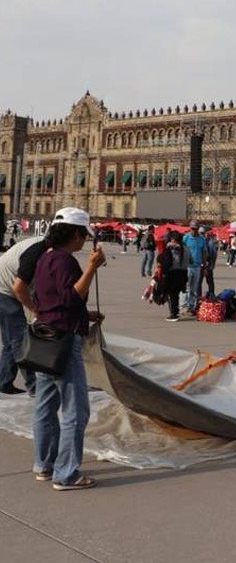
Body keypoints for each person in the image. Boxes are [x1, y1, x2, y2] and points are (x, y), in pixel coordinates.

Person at [32, 207, 105, 491]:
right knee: (76, 410)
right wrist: (91, 268)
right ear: (75, 233)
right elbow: (72, 297)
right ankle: (66, 473)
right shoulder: (66, 261)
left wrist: (86, 316)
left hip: (43, 337)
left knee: (45, 405)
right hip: (64, 340)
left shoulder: (44, 258)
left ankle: (44, 464)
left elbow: (50, 301)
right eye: (83, 235)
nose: (84, 241)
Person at [0, 231, 49, 395]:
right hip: (4, 290)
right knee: (20, 339)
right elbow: (19, 288)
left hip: (8, 286)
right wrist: (34, 310)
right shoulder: (38, 251)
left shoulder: (46, 247)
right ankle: (34, 385)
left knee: (10, 340)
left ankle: (4, 381)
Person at [158, 231, 190, 321]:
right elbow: (191, 261)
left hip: (173, 274)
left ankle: (173, 313)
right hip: (183, 274)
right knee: (176, 294)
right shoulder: (186, 248)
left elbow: (167, 263)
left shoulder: (172, 248)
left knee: (172, 294)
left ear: (173, 239)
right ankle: (175, 312)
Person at [182, 220, 207, 314]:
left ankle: (191, 307)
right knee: (186, 287)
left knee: (194, 288)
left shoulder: (201, 239)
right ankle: (184, 306)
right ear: (190, 228)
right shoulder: (186, 238)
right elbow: (181, 250)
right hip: (187, 266)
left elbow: (204, 253)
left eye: (196, 229)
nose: (194, 231)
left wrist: (204, 267)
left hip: (197, 267)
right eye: (192, 229)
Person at [199, 226, 217, 298]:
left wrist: (212, 264)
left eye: (202, 233)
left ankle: (211, 294)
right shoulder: (208, 242)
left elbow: (214, 254)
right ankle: (201, 296)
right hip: (201, 265)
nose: (202, 235)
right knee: (202, 281)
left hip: (207, 264)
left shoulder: (210, 242)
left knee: (208, 281)